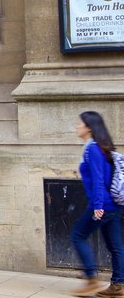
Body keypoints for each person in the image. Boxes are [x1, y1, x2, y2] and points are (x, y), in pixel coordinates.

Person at [71, 111, 124, 297]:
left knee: (78, 235)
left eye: (80, 123)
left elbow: (99, 180)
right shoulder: (101, 147)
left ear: (89, 127)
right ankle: (118, 286)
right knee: (116, 246)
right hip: (115, 205)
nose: (77, 126)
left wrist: (98, 206)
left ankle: (91, 278)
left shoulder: (93, 148)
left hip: (103, 205)